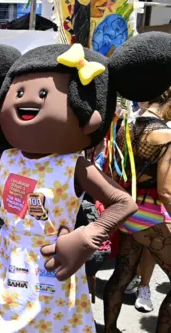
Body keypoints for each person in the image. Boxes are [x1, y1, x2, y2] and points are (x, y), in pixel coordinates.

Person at [0, 31, 170, 332]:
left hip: (54, 262)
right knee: (1, 321)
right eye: (19, 93)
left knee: (51, 324)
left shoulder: (72, 165)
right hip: (8, 256)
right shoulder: (8, 158)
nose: (29, 101)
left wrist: (88, 236)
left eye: (44, 94)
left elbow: (123, 202)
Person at [103, 86, 171, 332]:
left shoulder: (124, 126)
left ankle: (109, 329)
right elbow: (165, 191)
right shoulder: (164, 134)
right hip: (149, 214)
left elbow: (114, 171)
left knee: (121, 276)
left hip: (125, 211)